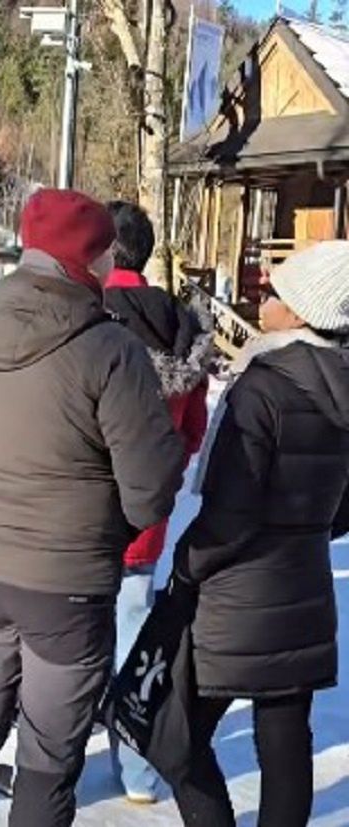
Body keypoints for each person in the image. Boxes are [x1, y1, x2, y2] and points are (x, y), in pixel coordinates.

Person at [0, 189, 186, 827]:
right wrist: (93, 528)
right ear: (87, 260)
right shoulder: (110, 351)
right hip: (66, 583)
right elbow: (149, 491)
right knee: (48, 750)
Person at [168, 241, 349, 827]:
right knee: (285, 743)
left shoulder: (262, 386)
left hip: (238, 596)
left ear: (298, 313)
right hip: (304, 589)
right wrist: (306, 526)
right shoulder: (342, 388)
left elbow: (231, 511)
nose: (262, 301)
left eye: (274, 294)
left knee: (180, 737)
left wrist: (187, 565)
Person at [102, 201, 214, 804]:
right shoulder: (181, 326)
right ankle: (140, 775)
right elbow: (194, 428)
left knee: (62, 649)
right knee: (134, 640)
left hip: (78, 513)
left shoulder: (84, 315)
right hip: (147, 518)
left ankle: (51, 769)